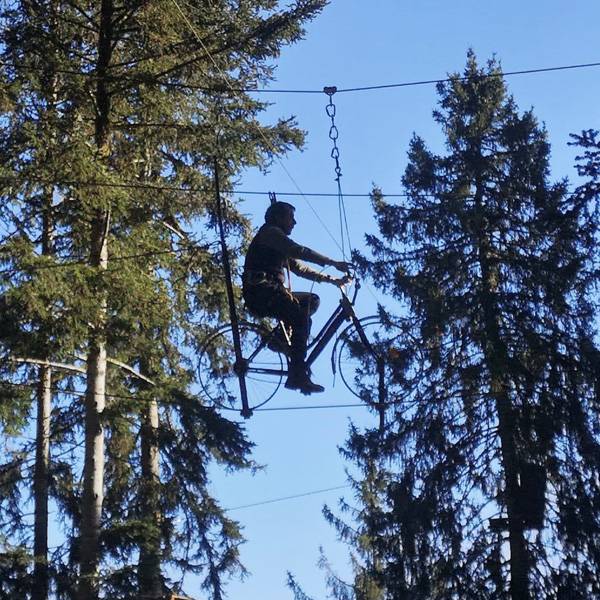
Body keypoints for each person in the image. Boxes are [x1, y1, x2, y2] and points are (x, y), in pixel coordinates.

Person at [243, 201, 352, 394]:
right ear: (278, 218)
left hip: (270, 292)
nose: (294, 222)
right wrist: (332, 262)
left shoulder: (276, 239)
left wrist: (332, 280)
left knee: (312, 301)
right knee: (301, 319)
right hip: (262, 292)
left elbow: (298, 267)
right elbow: (299, 251)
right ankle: (297, 375)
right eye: (290, 217)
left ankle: (280, 340)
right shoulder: (271, 234)